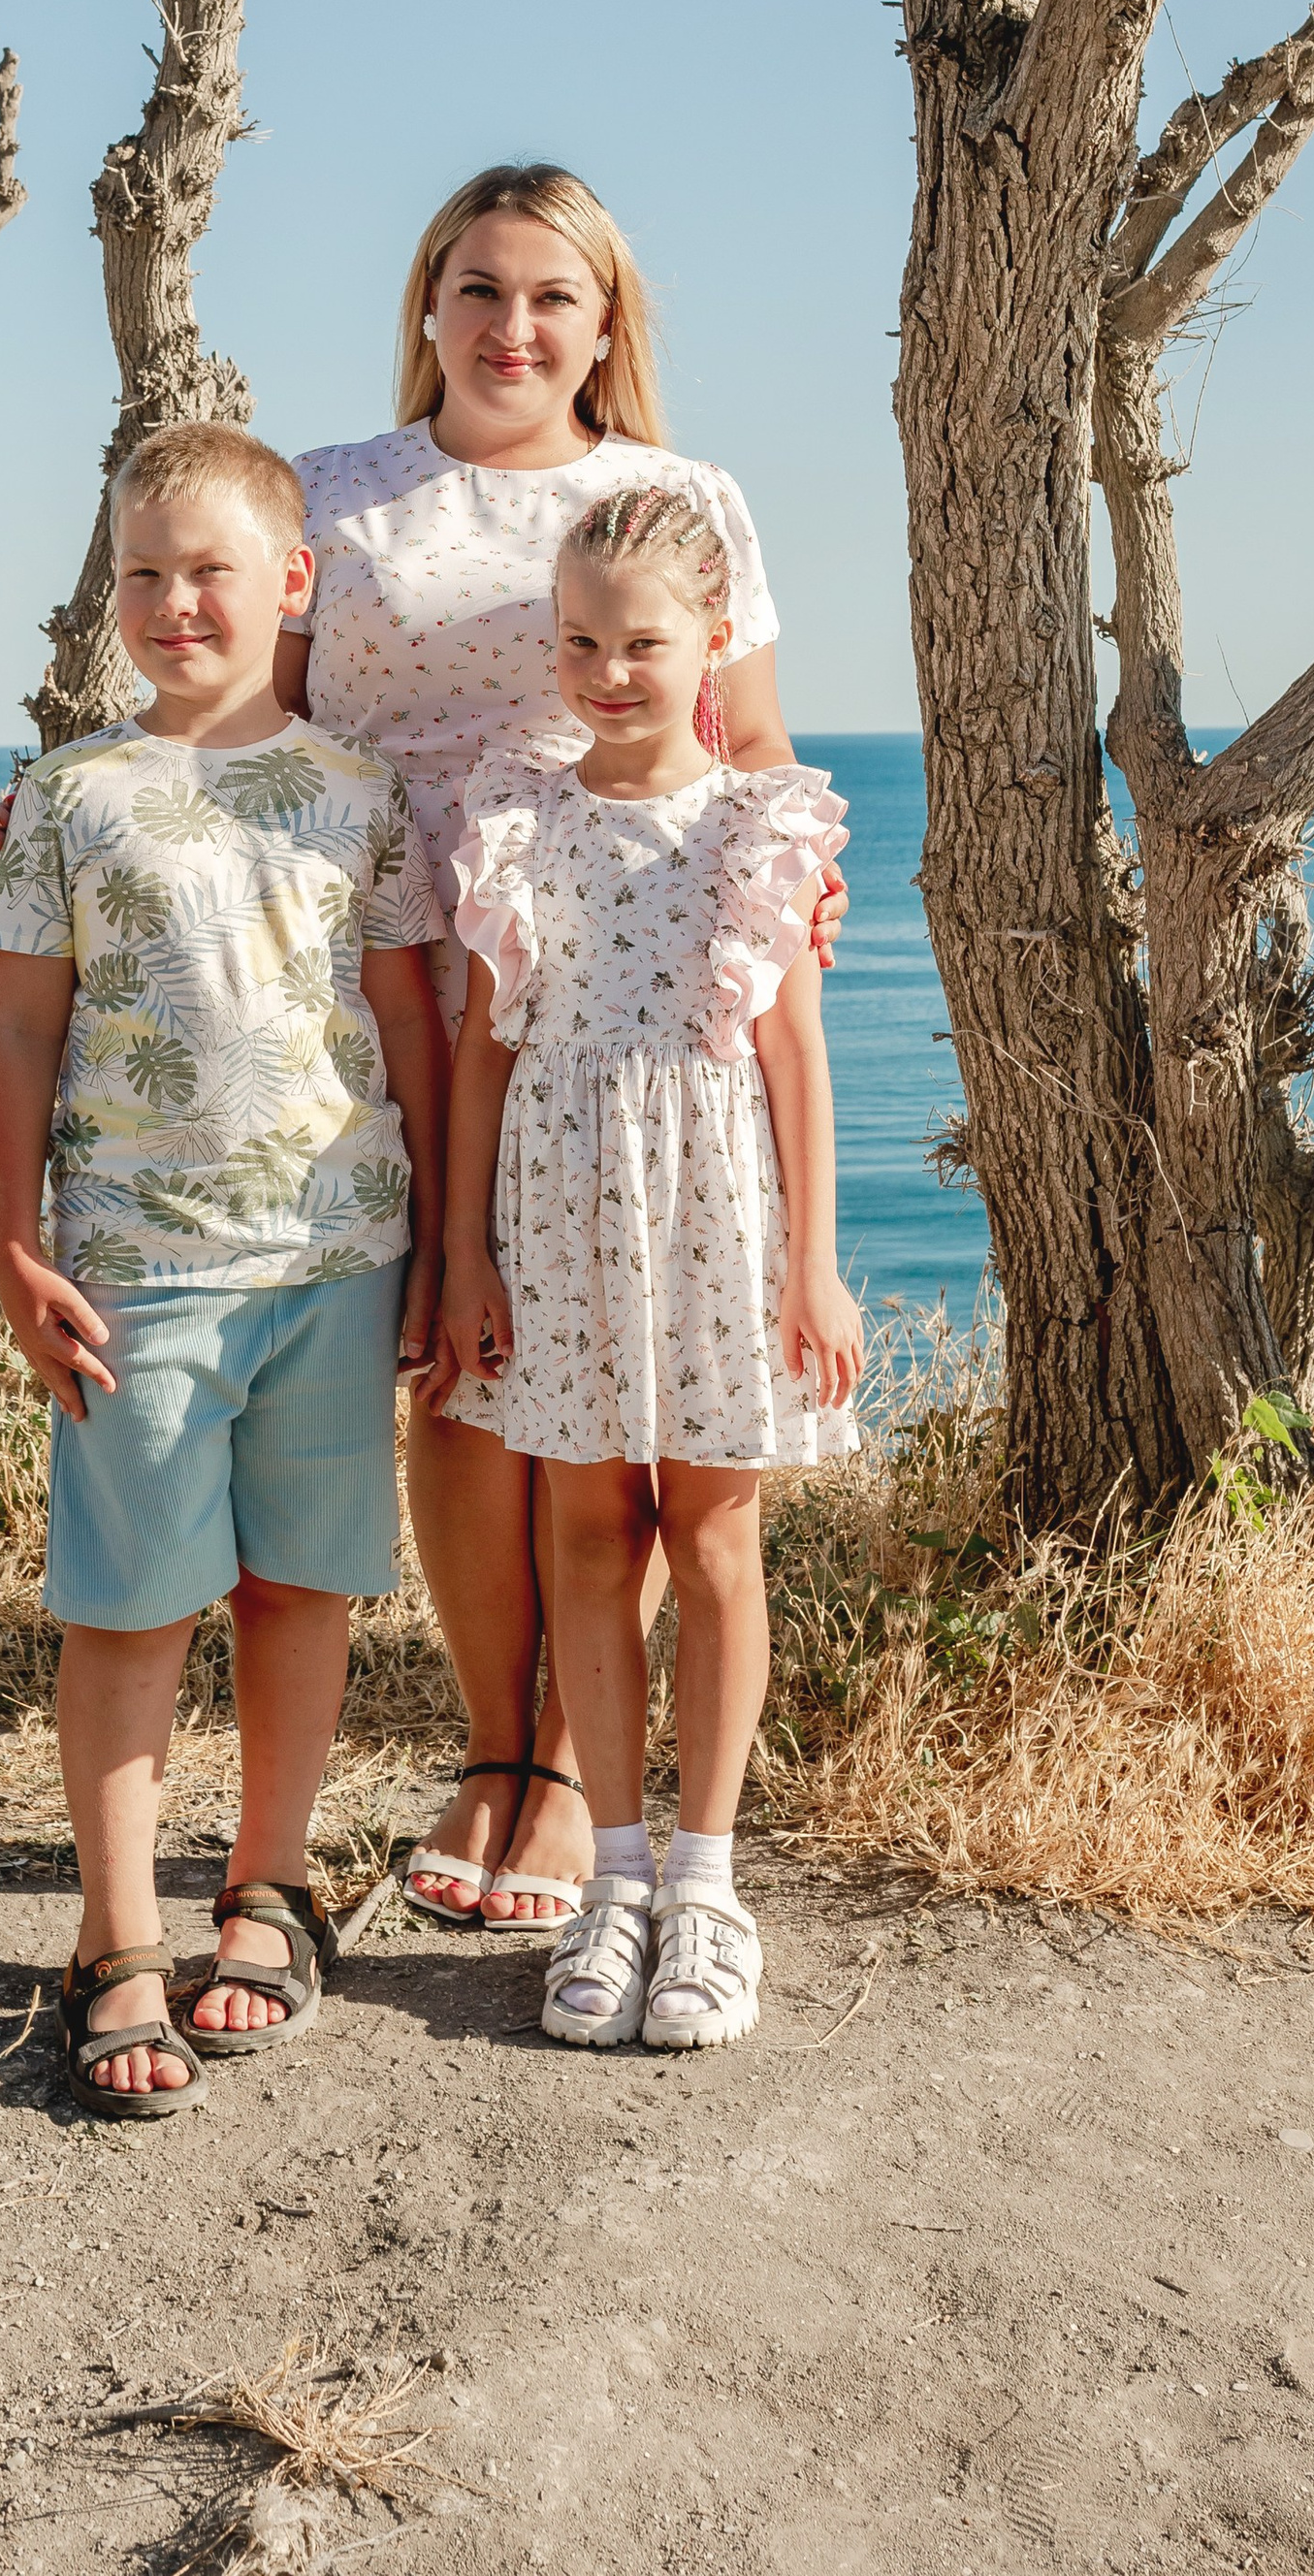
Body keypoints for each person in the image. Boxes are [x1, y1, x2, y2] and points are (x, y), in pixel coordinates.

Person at [277, 164, 844, 1932]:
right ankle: (494, 1753)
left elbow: (748, 745)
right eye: (479, 289)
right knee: (463, 1355)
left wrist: (787, 909)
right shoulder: (338, 492)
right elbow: (252, 717)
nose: (513, 328)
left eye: (553, 298)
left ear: (608, 326)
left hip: (614, 963)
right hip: (380, 960)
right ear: (428, 302)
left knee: (620, 1355)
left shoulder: (680, 498)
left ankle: (590, 1784)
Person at [0, 422, 448, 2117]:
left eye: (213, 571)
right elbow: (20, 1022)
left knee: (298, 1588)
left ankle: (269, 1888)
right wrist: (14, 1243)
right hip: (137, 1275)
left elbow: (406, 1021)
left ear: (291, 583)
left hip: (339, 1256)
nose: (178, 601)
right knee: (131, 1602)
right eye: (145, 573)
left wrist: (446, 1242)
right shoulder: (73, 799)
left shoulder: (362, 796)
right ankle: (116, 1939)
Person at [439, 483, 861, 2048]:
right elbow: (488, 1054)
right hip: (558, 1225)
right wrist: (468, 1255)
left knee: (718, 1541)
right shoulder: (514, 816)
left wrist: (814, 1268)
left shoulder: (762, 824)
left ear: (713, 642)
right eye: (581, 641)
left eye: (645, 641)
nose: (611, 669)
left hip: (719, 1226)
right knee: (589, 1539)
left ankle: (707, 1882)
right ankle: (610, 1879)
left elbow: (797, 1062)